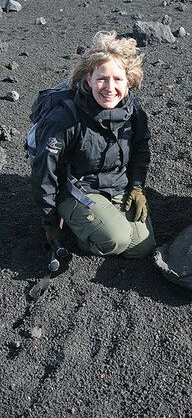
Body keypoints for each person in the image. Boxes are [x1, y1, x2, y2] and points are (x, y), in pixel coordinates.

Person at [31, 31, 156, 258]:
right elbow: (45, 172)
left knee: (141, 247)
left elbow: (140, 150)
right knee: (116, 240)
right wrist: (49, 221)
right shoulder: (66, 118)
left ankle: (102, 222)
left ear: (129, 80)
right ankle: (78, 232)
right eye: (102, 78)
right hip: (76, 188)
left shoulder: (134, 114)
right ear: (88, 78)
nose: (110, 87)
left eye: (118, 79)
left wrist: (137, 186)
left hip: (117, 185)